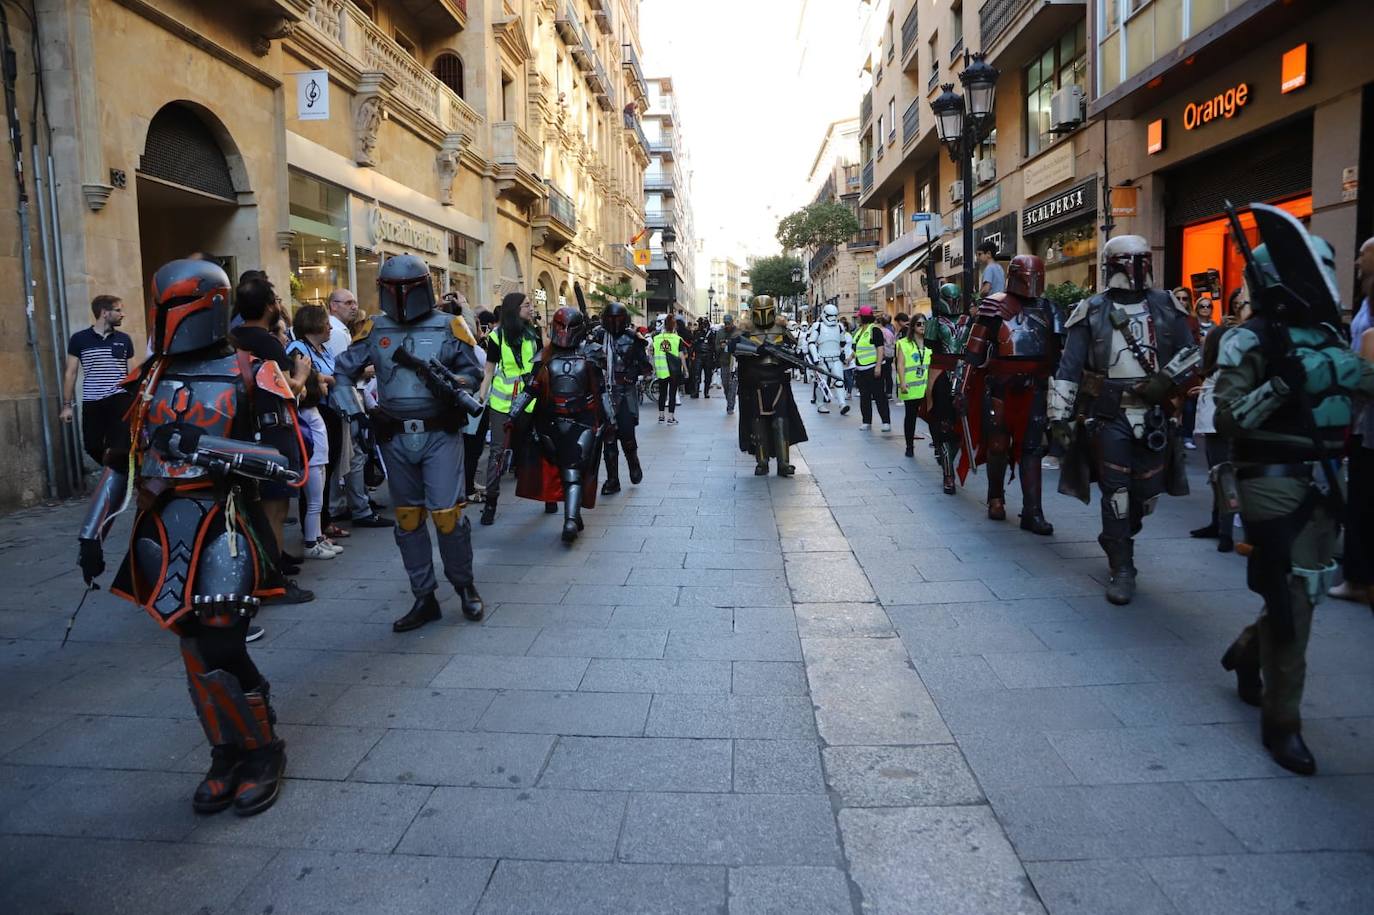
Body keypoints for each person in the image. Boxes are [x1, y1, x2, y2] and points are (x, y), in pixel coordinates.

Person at [77, 258, 301, 816]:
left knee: (223, 641)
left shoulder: (255, 371)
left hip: (227, 520)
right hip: (162, 522)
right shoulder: (147, 377)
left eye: (178, 304)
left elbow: (288, 462)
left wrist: (204, 446)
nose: (168, 315)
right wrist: (92, 531)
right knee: (193, 646)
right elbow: (121, 460)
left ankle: (262, 749)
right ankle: (225, 752)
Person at [1215, 215, 1373, 775]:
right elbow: (1227, 417)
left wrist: (1338, 370)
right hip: (1272, 478)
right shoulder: (1249, 338)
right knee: (1296, 597)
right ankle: (1283, 724)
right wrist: (1284, 383)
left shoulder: (1330, 336)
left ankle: (1246, 651)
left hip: (1328, 476)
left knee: (1305, 592)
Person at [333, 254, 485, 632]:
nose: (401, 296)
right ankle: (424, 596)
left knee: (447, 515)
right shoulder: (374, 328)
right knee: (408, 518)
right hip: (394, 435)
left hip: (439, 432)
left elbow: (473, 373)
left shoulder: (450, 325)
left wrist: (453, 384)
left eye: (407, 289)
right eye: (394, 289)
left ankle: (464, 585)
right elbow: (342, 372)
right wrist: (358, 414)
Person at [1050, 235, 1196, 604]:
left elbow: (1191, 354)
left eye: (1140, 259)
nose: (1135, 268)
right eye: (1128, 260)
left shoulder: (1166, 305)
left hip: (1155, 414)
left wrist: (1166, 382)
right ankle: (1123, 565)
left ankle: (1119, 535)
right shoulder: (1092, 310)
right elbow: (1069, 366)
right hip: (1109, 414)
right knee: (1116, 492)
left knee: (1147, 493)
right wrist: (1059, 419)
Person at [954, 255, 1059, 535]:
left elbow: (1059, 354)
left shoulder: (1049, 309)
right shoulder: (993, 306)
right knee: (998, 445)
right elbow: (973, 354)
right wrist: (962, 389)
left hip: (1035, 388)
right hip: (1000, 388)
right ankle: (996, 498)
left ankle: (1033, 511)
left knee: (1032, 449)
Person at [229, 276, 314, 602]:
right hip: (273, 432)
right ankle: (272, 578)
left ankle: (263, 568)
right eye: (276, 300)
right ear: (268, 307)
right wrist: (302, 373)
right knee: (275, 510)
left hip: (243, 432)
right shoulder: (267, 343)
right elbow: (288, 389)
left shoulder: (231, 338)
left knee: (255, 509)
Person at [509, 307, 611, 542]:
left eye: (569, 327)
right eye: (561, 326)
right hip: (552, 423)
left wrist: (610, 420)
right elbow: (531, 389)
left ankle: (571, 520)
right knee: (564, 470)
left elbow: (601, 391)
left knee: (573, 470)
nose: (565, 332)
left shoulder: (591, 354)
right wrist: (513, 415)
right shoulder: (545, 357)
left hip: (582, 421)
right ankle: (574, 516)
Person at [324, 289, 391, 531]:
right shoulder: (337, 333)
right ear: (333, 305)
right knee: (354, 454)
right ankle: (359, 508)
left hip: (347, 395)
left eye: (354, 301)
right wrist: (367, 370)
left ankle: (341, 505)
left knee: (345, 454)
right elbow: (343, 370)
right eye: (348, 302)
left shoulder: (340, 330)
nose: (354, 306)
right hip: (346, 397)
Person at [1331, 236, 1374, 603]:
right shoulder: (1365, 301)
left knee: (1361, 500)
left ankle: (1358, 578)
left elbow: (1366, 367)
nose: (1357, 260)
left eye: (1362, 254)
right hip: (1361, 419)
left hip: (1367, 422)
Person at [285, 305, 343, 561]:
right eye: (325, 322)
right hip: (311, 416)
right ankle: (312, 538)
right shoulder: (297, 350)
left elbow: (330, 376)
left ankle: (318, 535)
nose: (330, 327)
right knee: (314, 483)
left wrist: (322, 379)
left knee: (322, 476)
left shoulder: (322, 349)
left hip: (323, 413)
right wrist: (319, 380)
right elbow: (308, 380)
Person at [478, 292, 541, 525]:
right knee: (497, 452)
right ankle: (490, 503)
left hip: (530, 400)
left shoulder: (533, 333)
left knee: (539, 446)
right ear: (515, 309)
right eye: (527, 305)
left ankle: (549, 496)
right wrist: (481, 396)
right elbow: (489, 370)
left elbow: (540, 365)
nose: (531, 308)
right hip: (502, 403)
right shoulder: (496, 336)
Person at [735, 295, 807, 476]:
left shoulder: (781, 330)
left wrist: (790, 359)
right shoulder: (746, 331)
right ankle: (762, 462)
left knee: (781, 421)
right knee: (757, 422)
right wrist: (757, 351)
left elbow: (793, 351)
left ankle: (783, 463)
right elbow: (736, 350)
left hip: (778, 380)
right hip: (756, 382)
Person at [62, 294, 136, 467]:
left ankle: (121, 477)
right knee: (92, 446)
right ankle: (114, 470)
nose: (122, 314)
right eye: (118, 310)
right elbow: (70, 373)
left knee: (120, 447)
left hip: (119, 399)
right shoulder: (79, 339)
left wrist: (137, 398)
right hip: (92, 400)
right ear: (104, 313)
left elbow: (133, 372)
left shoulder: (124, 339)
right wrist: (67, 406)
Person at [592, 301, 651, 494]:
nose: (614, 322)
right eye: (611, 318)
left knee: (627, 436)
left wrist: (632, 373)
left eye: (618, 318)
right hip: (604, 393)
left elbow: (645, 366)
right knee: (608, 438)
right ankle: (612, 480)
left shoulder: (633, 338)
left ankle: (633, 464)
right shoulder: (598, 337)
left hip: (625, 392)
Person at [925, 283, 970, 494]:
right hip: (942, 375)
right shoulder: (935, 322)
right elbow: (930, 345)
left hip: (965, 374)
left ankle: (948, 465)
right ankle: (948, 473)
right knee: (944, 425)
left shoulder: (969, 321)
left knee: (962, 425)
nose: (952, 303)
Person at [464, 309, 496, 503]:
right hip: (475, 403)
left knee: (472, 448)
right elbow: (489, 369)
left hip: (475, 402)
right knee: (472, 448)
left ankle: (469, 484)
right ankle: (467, 488)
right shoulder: (472, 349)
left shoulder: (472, 348)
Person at [805, 303, 852, 415]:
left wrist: (842, 354)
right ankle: (820, 404)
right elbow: (811, 343)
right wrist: (815, 358)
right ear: (824, 314)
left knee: (839, 381)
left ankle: (842, 404)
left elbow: (842, 342)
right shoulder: (818, 326)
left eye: (835, 316)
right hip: (822, 359)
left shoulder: (839, 326)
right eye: (830, 316)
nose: (833, 318)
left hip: (836, 358)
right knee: (822, 383)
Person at [895, 314, 930, 457]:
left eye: (924, 324)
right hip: (911, 387)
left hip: (927, 387)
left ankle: (938, 445)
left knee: (932, 416)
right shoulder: (904, 343)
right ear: (913, 326)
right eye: (919, 324)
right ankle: (909, 446)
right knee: (910, 416)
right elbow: (900, 365)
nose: (922, 326)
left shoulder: (930, 343)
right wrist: (902, 383)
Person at [852, 305, 891, 432]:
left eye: (859, 316)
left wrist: (878, 366)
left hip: (873, 368)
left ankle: (886, 421)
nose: (857, 318)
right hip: (861, 370)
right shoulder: (859, 332)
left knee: (879, 396)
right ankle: (866, 421)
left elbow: (880, 349)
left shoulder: (875, 330)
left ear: (863, 317)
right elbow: (857, 349)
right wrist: (849, 358)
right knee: (864, 397)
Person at [651, 318, 683, 424]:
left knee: (662, 393)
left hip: (661, 370)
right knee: (672, 393)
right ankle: (670, 418)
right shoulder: (677, 339)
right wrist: (686, 369)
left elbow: (652, 351)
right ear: (674, 326)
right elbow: (681, 355)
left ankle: (661, 416)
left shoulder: (656, 338)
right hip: (673, 370)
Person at [716, 312, 741, 415]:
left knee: (733, 386)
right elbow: (716, 347)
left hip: (734, 364)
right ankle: (729, 400)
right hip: (724, 362)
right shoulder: (720, 332)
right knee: (725, 384)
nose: (727, 325)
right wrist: (720, 347)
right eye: (725, 323)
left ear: (732, 322)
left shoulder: (738, 332)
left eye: (728, 323)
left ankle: (730, 406)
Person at [689, 316, 716, 398]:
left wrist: (714, 357)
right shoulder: (696, 332)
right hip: (699, 355)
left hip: (708, 356)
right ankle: (696, 391)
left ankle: (706, 392)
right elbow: (693, 344)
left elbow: (713, 345)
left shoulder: (711, 333)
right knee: (697, 374)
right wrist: (692, 354)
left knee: (708, 375)